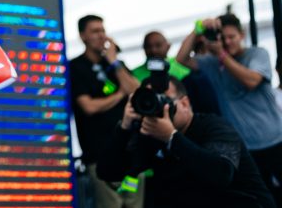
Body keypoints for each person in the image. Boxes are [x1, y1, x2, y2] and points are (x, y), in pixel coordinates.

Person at [97, 76, 275, 207]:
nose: (162, 109)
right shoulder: (151, 136)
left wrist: (171, 137)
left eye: (165, 100)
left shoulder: (214, 126)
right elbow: (108, 172)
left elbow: (221, 174)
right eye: (153, 101)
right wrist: (124, 128)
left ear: (184, 103)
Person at [177, 14, 282, 204]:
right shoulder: (212, 62)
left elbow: (251, 81)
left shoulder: (257, 53)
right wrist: (198, 29)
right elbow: (181, 58)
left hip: (276, 139)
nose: (226, 42)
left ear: (242, 35)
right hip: (246, 148)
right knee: (262, 198)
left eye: (231, 37)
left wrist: (221, 55)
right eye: (222, 37)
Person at [69, 14, 141, 207]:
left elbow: (137, 92)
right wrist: (119, 94)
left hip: (131, 157)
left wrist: (114, 63)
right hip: (100, 157)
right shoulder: (76, 67)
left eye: (103, 30)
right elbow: (89, 107)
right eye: (95, 31)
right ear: (82, 36)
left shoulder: (115, 64)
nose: (101, 36)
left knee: (133, 203)